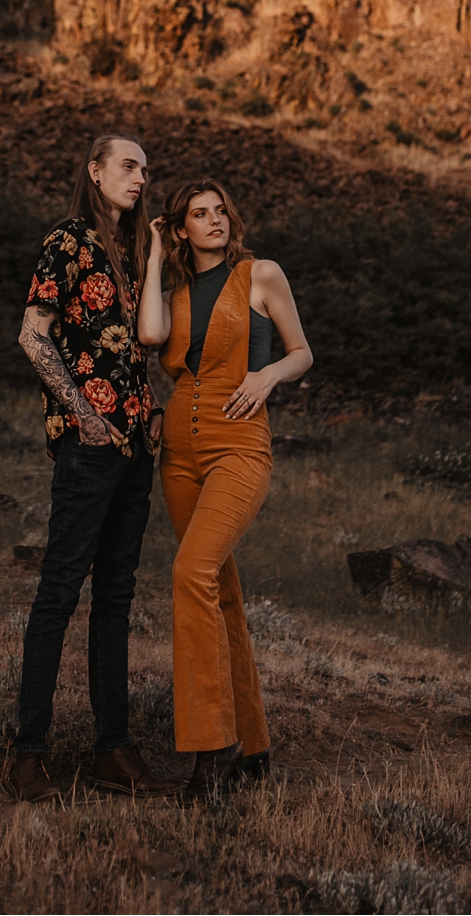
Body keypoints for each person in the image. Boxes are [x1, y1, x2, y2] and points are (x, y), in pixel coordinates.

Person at [9, 134, 182, 802]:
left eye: (147, 167)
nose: (142, 178)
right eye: (130, 166)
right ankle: (29, 755)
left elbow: (143, 342)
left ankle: (113, 751)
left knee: (115, 598)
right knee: (59, 592)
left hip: (137, 444)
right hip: (91, 443)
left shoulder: (132, 256)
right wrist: (81, 413)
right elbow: (32, 332)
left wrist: (160, 251)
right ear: (96, 171)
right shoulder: (69, 240)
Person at [138, 178, 312, 799]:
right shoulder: (177, 291)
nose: (212, 221)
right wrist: (156, 259)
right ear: (181, 227)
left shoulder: (261, 274)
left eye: (218, 212)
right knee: (220, 589)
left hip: (239, 441)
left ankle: (214, 750)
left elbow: (303, 353)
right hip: (179, 453)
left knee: (190, 574)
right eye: (197, 215)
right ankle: (255, 742)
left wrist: (265, 376)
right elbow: (152, 338)